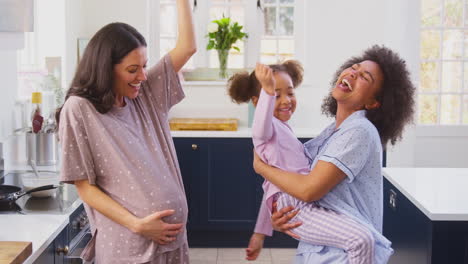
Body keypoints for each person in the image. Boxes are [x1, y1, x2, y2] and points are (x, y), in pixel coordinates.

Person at [55, 1, 196, 263]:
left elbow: (188, 48)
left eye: (144, 66)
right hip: (129, 246)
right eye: (132, 69)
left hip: (172, 244)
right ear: (105, 69)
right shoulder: (79, 109)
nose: (142, 76)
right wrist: (138, 224)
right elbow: (85, 188)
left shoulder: (144, 96)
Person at [253, 45, 415, 264]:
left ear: (373, 102)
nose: (352, 73)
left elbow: (308, 190)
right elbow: (291, 184)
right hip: (318, 252)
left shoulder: (359, 131)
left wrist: (261, 167)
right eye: (353, 68)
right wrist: (275, 217)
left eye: (364, 77)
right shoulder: (331, 133)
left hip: (345, 256)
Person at [228, 61, 375, 264]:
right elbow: (260, 126)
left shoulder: (283, 131)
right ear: (258, 101)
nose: (286, 100)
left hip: (299, 200)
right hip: (296, 203)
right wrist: (267, 93)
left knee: (361, 238)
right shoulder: (265, 131)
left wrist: (260, 233)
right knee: (361, 240)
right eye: (276, 95)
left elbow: (271, 187)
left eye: (290, 93)